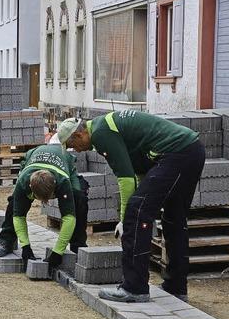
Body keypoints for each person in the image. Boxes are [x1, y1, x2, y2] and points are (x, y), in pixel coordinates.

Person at [57, 111, 205, 303]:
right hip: (191, 150)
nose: (75, 150)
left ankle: (134, 288)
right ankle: (176, 286)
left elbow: (125, 180)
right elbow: (140, 172)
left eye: (71, 145)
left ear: (79, 134)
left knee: (136, 212)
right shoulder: (106, 127)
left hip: (176, 153)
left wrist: (124, 219)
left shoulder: (101, 133)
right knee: (173, 217)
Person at [0, 144, 89, 268]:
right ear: (30, 187)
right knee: (14, 202)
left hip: (63, 160)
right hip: (33, 156)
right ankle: (5, 240)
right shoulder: (24, 182)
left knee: (79, 199)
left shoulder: (62, 182)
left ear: (55, 187)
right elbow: (18, 216)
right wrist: (25, 246)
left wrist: (58, 252)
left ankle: (78, 246)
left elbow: (69, 218)